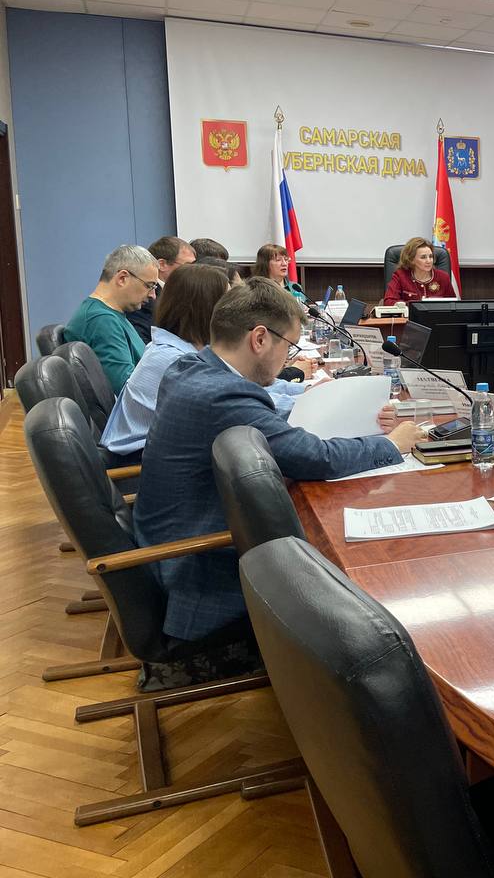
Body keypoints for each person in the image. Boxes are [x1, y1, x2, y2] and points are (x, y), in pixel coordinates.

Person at [131, 278, 422, 661]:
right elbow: (314, 458)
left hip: (167, 544)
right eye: (289, 346)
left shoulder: (191, 367)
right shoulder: (222, 395)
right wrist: (392, 445)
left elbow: (276, 432)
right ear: (259, 339)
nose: (288, 358)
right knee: (349, 563)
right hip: (197, 572)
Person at [101, 264, 313, 459]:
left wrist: (306, 392)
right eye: (229, 301)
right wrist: (311, 401)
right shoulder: (175, 360)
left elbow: (246, 388)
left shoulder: (177, 349)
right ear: (209, 309)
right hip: (133, 465)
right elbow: (242, 401)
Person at [64, 244, 158, 394]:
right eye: (149, 286)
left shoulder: (112, 315)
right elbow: (127, 390)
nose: (153, 295)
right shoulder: (101, 320)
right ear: (122, 278)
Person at [126, 236, 195, 344]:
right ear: (162, 265)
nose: (194, 272)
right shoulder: (144, 298)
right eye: (188, 266)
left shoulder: (181, 294)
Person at [383, 236, 456, 304]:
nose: (429, 261)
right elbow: (389, 301)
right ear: (411, 259)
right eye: (423, 257)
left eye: (431, 256)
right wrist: (411, 307)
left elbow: (453, 304)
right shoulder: (401, 276)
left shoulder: (443, 277)